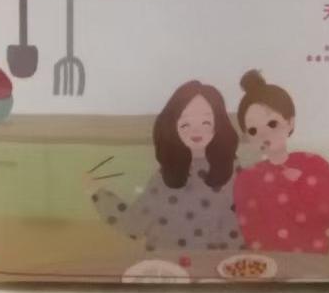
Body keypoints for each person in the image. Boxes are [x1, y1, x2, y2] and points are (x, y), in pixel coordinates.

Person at [84, 80, 243, 253]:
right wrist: (97, 193)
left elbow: (247, 227)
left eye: (206, 122)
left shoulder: (234, 171)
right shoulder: (166, 175)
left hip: (224, 264)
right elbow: (134, 224)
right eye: (185, 124)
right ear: (173, 127)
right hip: (168, 264)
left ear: (218, 124)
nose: (196, 130)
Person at [232, 70, 329, 254]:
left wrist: (305, 183)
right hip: (271, 264)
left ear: (290, 122)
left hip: (318, 261)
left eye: (272, 124)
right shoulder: (247, 179)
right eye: (253, 130)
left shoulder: (311, 163)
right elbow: (250, 233)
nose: (264, 134)